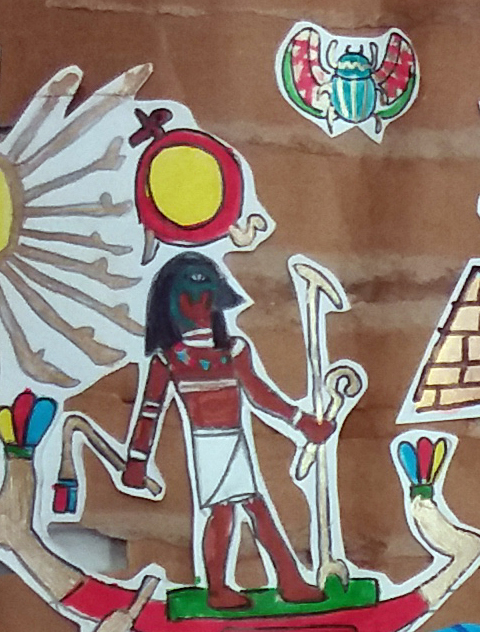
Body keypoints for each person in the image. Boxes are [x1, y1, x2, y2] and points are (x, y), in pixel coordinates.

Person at [119, 251, 335, 611]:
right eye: (190, 299)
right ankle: (236, 586)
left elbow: (260, 395)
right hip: (208, 445)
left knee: (249, 509)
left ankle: (282, 581)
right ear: (173, 305)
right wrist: (137, 460)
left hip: (234, 440)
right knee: (232, 511)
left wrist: (302, 422)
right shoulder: (169, 359)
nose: (200, 306)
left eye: (207, 297)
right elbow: (149, 412)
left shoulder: (233, 350)